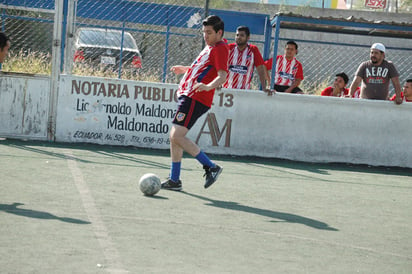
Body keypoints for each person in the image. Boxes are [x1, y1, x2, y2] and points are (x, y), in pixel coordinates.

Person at [161, 15, 228, 191]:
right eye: (204, 32)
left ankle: (211, 166)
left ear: (219, 32)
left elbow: (222, 75)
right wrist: (186, 69)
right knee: (174, 137)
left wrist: (208, 86)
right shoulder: (210, 46)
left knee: (177, 136)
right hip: (188, 95)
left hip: (195, 97)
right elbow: (203, 68)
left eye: (209, 32)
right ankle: (175, 180)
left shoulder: (220, 48)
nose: (205, 36)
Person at [223, 26, 268, 91]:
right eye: (237, 35)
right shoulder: (229, 48)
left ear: (248, 37)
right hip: (227, 89)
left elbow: (260, 69)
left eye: (242, 35)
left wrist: (264, 87)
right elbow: (220, 66)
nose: (238, 37)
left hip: (244, 91)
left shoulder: (253, 50)